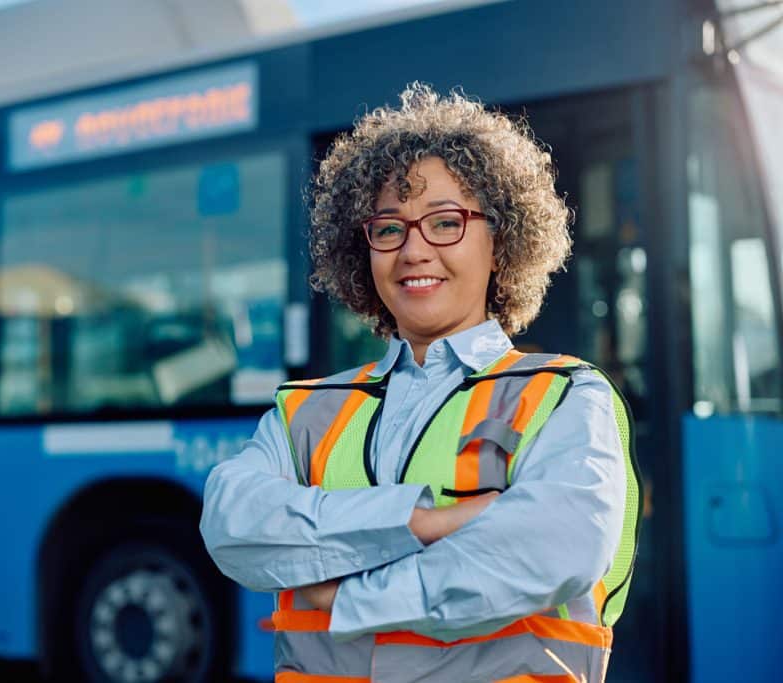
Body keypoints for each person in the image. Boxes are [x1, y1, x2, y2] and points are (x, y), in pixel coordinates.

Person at [200, 84, 641, 683]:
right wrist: (423, 521)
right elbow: (232, 527)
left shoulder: (565, 397)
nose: (413, 250)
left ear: (501, 241)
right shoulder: (305, 411)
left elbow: (551, 551)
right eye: (389, 229)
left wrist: (348, 596)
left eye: (444, 223)